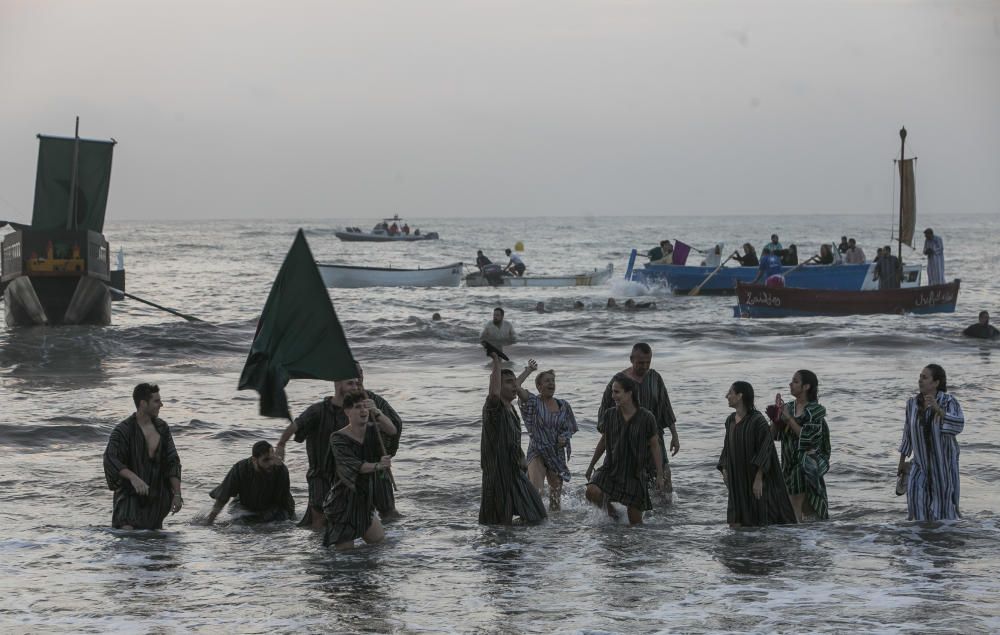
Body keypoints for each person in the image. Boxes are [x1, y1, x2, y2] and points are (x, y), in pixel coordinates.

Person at [276, 376, 362, 528]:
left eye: (356, 383)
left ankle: (341, 549)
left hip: (345, 475)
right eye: (350, 383)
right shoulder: (317, 410)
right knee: (320, 519)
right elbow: (296, 426)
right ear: (338, 384)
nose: (355, 386)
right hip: (320, 475)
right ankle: (319, 551)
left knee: (347, 517)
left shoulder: (356, 411)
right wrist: (281, 444)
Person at [598, 343, 679, 502]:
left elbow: (666, 407)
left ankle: (666, 520)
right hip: (626, 441)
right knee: (625, 482)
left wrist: (675, 435)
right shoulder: (618, 380)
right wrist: (610, 438)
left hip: (654, 438)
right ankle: (619, 518)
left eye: (648, 362)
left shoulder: (655, 378)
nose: (644, 366)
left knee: (664, 481)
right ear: (631, 359)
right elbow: (604, 414)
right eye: (640, 362)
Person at [586, 374, 665, 524]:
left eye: (617, 392)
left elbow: (655, 446)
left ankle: (634, 545)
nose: (613, 396)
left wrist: (660, 475)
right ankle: (613, 515)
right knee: (591, 491)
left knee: (635, 526)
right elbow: (603, 441)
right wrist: (591, 465)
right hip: (611, 468)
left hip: (634, 474)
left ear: (629, 393)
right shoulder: (609, 415)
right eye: (612, 392)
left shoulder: (647, 417)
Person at [717, 381, 797, 528]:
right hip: (737, 478)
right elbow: (727, 447)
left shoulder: (757, 419)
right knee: (735, 522)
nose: (726, 396)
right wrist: (724, 469)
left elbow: (766, 448)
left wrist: (759, 478)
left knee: (757, 521)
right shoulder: (730, 420)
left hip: (754, 477)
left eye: (730, 393)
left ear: (740, 396)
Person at [322, 391, 396, 549]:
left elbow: (392, 431)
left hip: (365, 500)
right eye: (357, 407)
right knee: (345, 557)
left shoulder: (373, 430)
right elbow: (355, 465)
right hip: (343, 503)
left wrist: (377, 412)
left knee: (380, 545)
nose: (363, 411)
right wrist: (378, 465)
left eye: (365, 407)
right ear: (347, 411)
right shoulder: (337, 438)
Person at [103, 383, 183, 530]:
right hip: (129, 497)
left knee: (154, 542)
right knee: (127, 537)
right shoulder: (123, 430)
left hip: (156, 498)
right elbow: (111, 459)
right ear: (143, 403)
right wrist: (133, 478)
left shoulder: (162, 428)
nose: (161, 405)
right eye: (156, 401)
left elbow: (172, 462)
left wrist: (177, 494)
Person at [479, 353, 547, 525]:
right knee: (497, 526)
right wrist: (496, 362)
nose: (515, 386)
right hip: (497, 477)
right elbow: (494, 394)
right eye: (509, 383)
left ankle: (517, 540)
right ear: (498, 387)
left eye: (514, 382)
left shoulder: (511, 409)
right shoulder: (494, 408)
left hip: (516, 473)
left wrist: (528, 371)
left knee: (537, 515)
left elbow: (516, 385)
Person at [897, 364, 965, 521]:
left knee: (944, 514)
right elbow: (907, 434)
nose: (920, 380)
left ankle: (940, 543)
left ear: (936, 382)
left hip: (943, 468)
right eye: (920, 377)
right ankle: (919, 543)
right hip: (919, 466)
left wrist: (938, 410)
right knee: (917, 512)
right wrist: (901, 462)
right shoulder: (912, 404)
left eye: (925, 377)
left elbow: (958, 425)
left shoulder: (949, 401)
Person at [515, 359, 579, 510]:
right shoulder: (533, 402)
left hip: (556, 454)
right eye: (547, 381)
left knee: (555, 500)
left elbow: (569, 428)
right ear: (539, 386)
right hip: (537, 451)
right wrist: (529, 370)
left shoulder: (564, 405)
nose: (551, 384)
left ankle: (552, 530)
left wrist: (565, 437)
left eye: (553, 381)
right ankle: (533, 524)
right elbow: (516, 386)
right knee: (537, 492)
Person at [770, 370, 831, 522]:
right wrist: (776, 418)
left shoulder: (815, 411)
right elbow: (773, 436)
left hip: (806, 464)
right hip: (787, 463)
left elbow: (809, 439)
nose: (790, 384)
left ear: (806, 386)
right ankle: (802, 540)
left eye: (795, 381)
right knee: (800, 509)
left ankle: (798, 539)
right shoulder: (788, 407)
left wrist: (789, 419)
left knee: (798, 507)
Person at [355, 363, 405, 521]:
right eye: (354, 375)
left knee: (389, 513)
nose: (358, 378)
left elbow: (395, 425)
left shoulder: (374, 400)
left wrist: (377, 413)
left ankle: (391, 542)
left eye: (361, 373)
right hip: (349, 466)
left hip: (377, 464)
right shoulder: (335, 405)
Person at [206, 441, 296, 525]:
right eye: (266, 460)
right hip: (244, 505)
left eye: (272, 458)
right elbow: (223, 496)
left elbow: (285, 502)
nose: (271, 463)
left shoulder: (280, 469)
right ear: (254, 460)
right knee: (237, 525)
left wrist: (292, 522)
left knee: (279, 524)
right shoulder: (240, 469)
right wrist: (209, 522)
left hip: (273, 506)